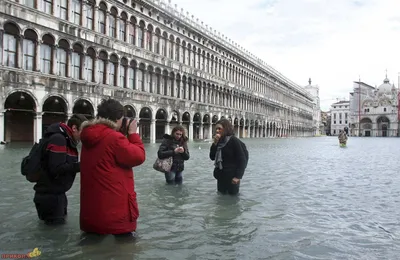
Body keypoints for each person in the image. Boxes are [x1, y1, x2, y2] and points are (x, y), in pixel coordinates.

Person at [79, 98, 146, 239]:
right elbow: (138, 156)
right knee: (125, 250)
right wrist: (133, 134)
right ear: (117, 118)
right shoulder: (114, 138)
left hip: (92, 211)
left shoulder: (89, 135)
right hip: (116, 212)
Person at [33, 114, 88, 225]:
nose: (85, 135)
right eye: (83, 131)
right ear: (74, 128)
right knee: (54, 234)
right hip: (50, 197)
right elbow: (56, 168)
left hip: (56, 194)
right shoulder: (59, 139)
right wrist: (83, 165)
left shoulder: (65, 139)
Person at [209, 119, 247, 195]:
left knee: (233, 199)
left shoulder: (234, 141)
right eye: (216, 129)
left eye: (219, 129)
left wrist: (238, 176)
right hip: (221, 176)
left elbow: (242, 159)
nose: (217, 131)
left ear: (226, 129)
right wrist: (215, 144)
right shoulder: (218, 141)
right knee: (221, 198)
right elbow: (212, 157)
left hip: (232, 177)